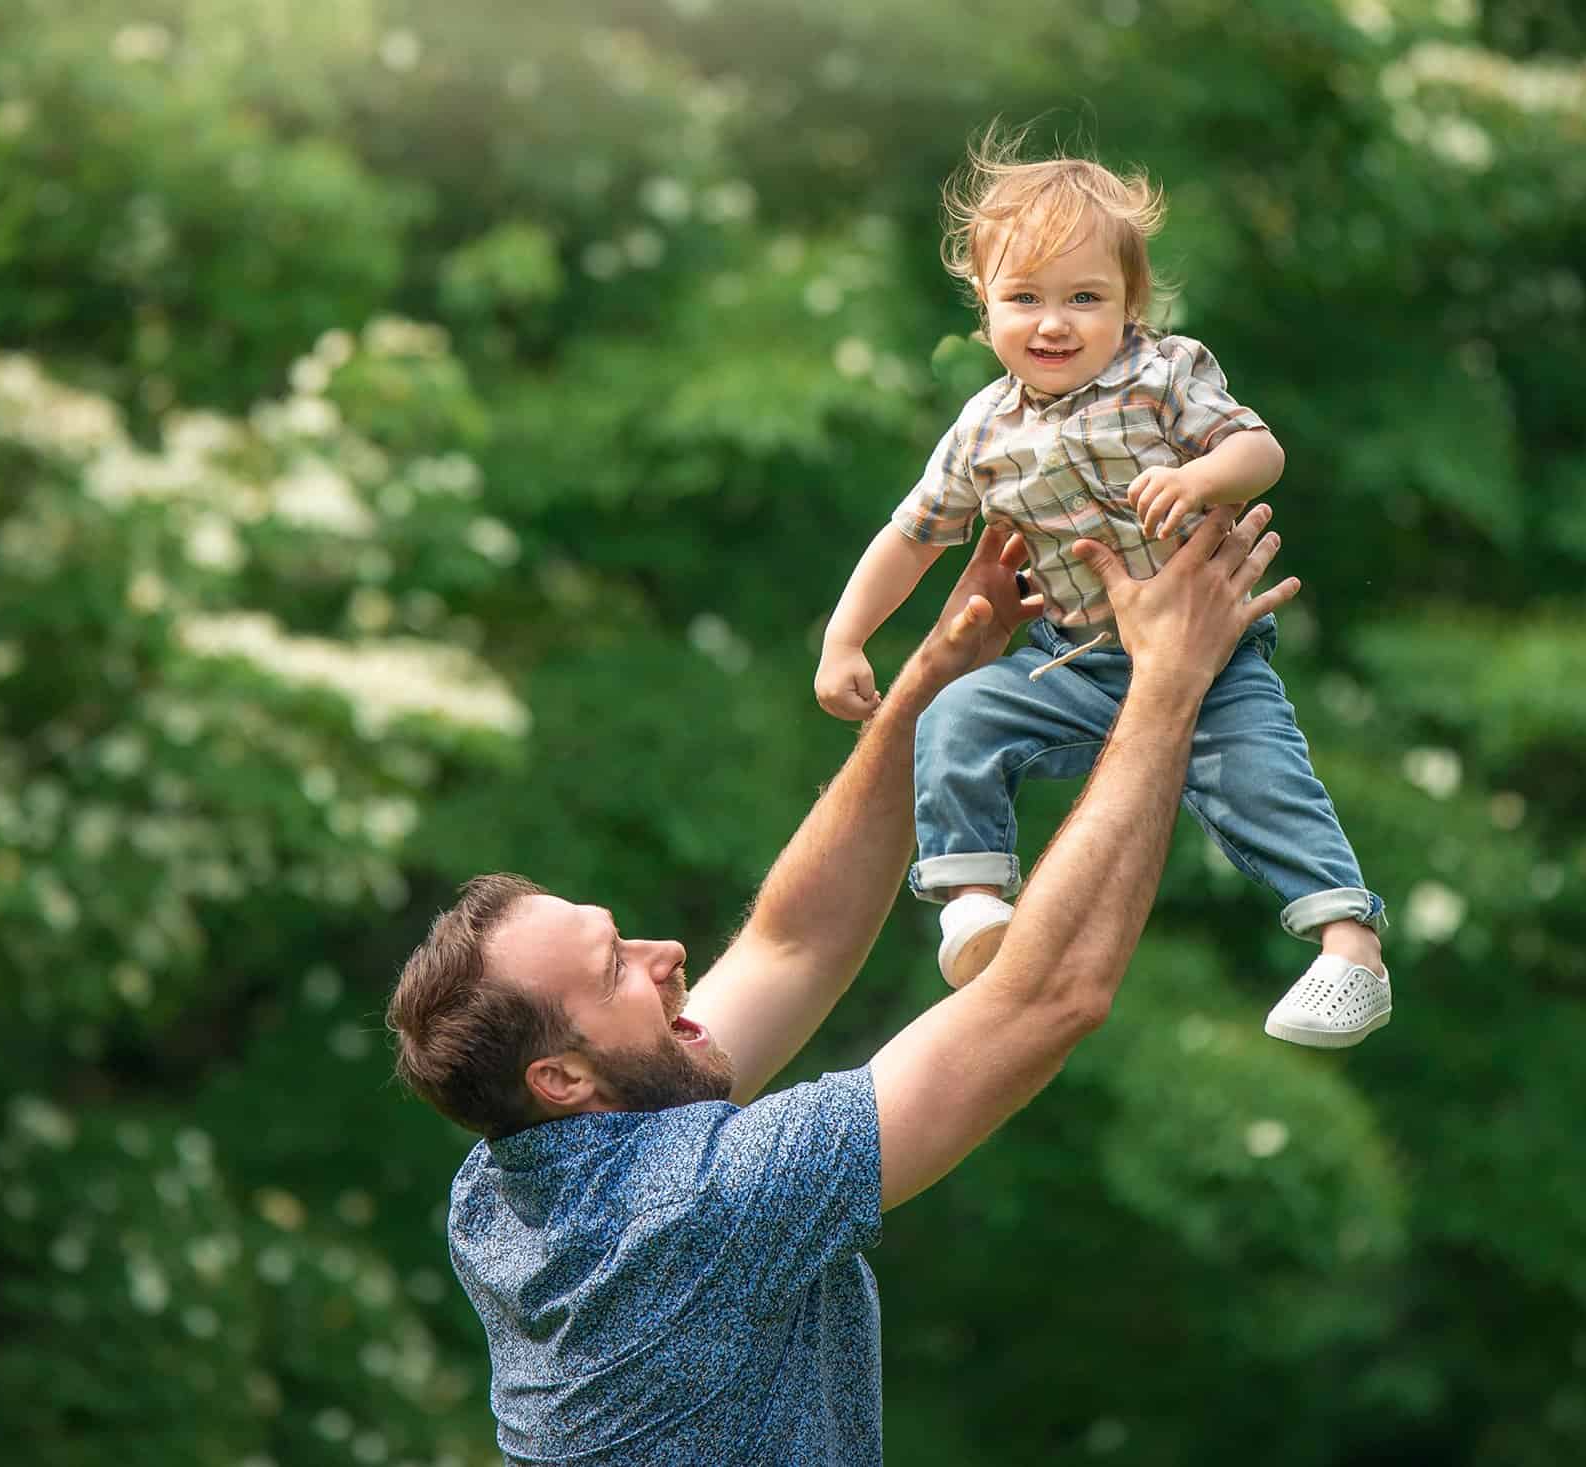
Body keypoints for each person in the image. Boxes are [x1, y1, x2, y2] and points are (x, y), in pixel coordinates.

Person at [387, 505, 1296, 1466]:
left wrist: (944, 667)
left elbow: (791, 942)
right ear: (562, 1078)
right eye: (617, 968)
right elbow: (1044, 999)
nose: (668, 954)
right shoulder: (694, 1205)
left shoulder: (500, 1187)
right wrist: (1168, 680)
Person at [814, 132, 1389, 1047]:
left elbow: (1261, 451)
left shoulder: (1165, 373)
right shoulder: (981, 429)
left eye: (1086, 298)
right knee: (957, 716)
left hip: (1210, 658)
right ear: (984, 308)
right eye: (1025, 298)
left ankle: (1348, 945)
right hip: (1071, 659)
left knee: (1263, 780)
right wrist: (845, 641)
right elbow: (911, 536)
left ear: (1131, 305)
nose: (1054, 322)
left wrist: (1204, 481)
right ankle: (972, 905)